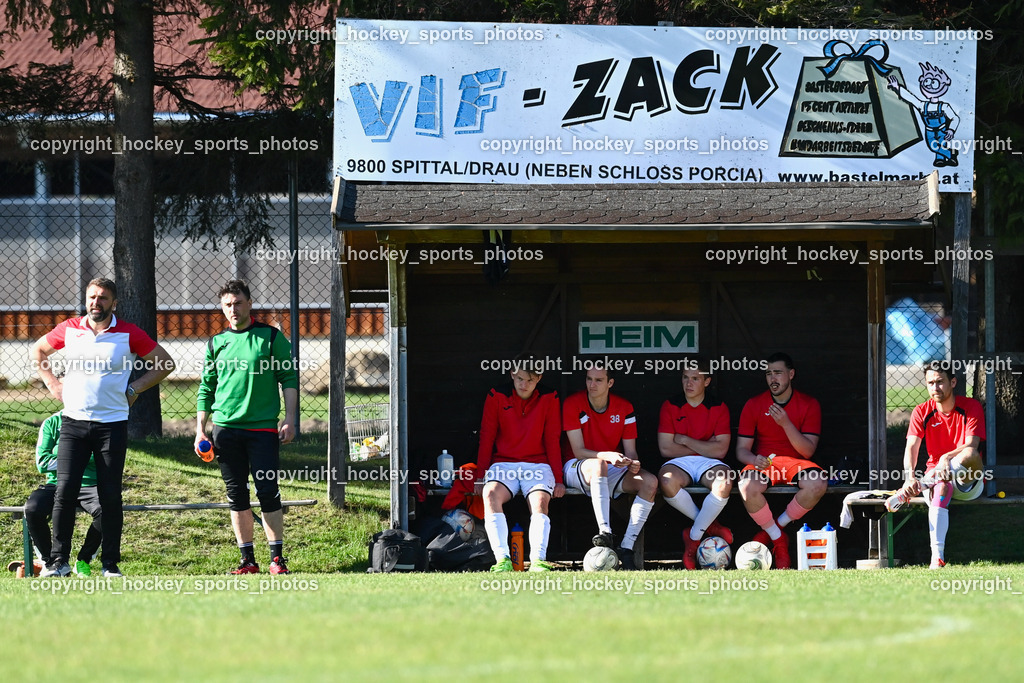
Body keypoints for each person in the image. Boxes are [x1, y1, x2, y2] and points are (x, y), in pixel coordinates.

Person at [30, 277, 175, 578]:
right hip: (73, 423)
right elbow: (39, 351)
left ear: (114, 303)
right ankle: (58, 562)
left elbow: (164, 363)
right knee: (64, 492)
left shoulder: (128, 333)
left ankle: (110, 564)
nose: (97, 302)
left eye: (103, 298)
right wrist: (53, 384)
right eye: (92, 297)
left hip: (112, 425)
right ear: (86, 300)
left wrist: (134, 389)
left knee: (110, 495)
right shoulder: (69, 329)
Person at [196, 280, 299, 575]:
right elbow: (206, 388)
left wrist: (290, 418)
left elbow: (289, 380)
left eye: (238, 302)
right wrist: (200, 430)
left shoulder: (270, 337)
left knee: (268, 491)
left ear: (250, 303)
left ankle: (277, 559)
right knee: (236, 494)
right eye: (227, 304)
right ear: (222, 307)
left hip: (263, 430)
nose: (233, 309)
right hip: (225, 430)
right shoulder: (216, 342)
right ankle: (248, 561)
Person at [887, 361, 985, 569]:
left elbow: (971, 445)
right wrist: (909, 477)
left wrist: (947, 457)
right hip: (938, 481)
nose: (935, 388)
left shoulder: (971, 406)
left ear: (953, 382)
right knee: (941, 485)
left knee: (970, 454)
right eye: (930, 383)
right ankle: (937, 559)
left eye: (940, 382)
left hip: (967, 479)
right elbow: (911, 448)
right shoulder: (921, 411)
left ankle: (914, 489)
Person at [563, 366, 657, 570]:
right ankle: (605, 533)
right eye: (589, 379)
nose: (592, 385)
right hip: (576, 466)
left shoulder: (624, 407)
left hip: (608, 466)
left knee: (650, 482)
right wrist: (607, 456)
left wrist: (633, 464)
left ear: (610, 383)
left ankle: (627, 547)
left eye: (598, 380)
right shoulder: (573, 403)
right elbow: (578, 451)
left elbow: (631, 451)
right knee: (598, 465)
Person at [736, 353, 824, 569]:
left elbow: (808, 451)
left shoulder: (809, 404)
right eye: (768, 374)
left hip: (796, 461)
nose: (773, 378)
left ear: (791, 374)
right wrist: (755, 460)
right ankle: (778, 540)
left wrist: (786, 423)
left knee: (817, 483)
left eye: (778, 373)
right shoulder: (754, 404)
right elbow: (741, 451)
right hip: (766, 463)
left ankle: (777, 527)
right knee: (746, 486)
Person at [476, 360, 563, 572]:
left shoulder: (550, 397)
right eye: (520, 378)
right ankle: (502, 560)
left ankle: (538, 561)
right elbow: (487, 437)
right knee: (490, 494)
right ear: (512, 374)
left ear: (539, 379)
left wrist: (559, 479)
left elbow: (553, 439)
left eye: (531, 380)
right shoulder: (496, 395)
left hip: (538, 464)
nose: (524, 384)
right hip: (504, 464)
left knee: (540, 501)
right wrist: (480, 477)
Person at [658, 360, 735, 570]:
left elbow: (720, 451)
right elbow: (666, 449)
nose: (688, 383)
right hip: (678, 462)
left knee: (724, 483)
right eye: (685, 377)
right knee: (666, 482)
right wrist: (705, 445)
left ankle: (693, 539)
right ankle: (710, 526)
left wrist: (686, 440)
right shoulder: (671, 405)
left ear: (707, 381)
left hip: (710, 462)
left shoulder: (718, 407)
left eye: (695, 378)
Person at [12, 413, 102, 577]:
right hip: (57, 484)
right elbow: (42, 462)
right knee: (33, 508)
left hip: (90, 484)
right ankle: (52, 563)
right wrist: (80, 457)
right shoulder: (52, 422)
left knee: (108, 509)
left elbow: (106, 456)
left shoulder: (100, 420)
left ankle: (83, 560)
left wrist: (67, 457)